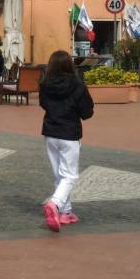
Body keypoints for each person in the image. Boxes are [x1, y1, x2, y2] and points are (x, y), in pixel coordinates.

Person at [39, 50, 94, 232]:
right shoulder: (77, 85)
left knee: (59, 175)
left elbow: (43, 104)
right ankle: (55, 204)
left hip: (50, 132)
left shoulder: (45, 84)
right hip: (69, 133)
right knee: (69, 175)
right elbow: (87, 112)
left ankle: (65, 211)